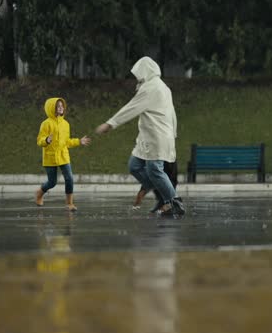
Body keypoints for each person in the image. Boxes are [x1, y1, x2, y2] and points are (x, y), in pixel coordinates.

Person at [96, 57, 185, 217]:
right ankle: (163, 196)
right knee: (134, 166)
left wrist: (110, 123)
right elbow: (173, 114)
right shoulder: (161, 87)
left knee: (154, 170)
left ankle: (174, 201)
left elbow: (131, 108)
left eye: (138, 74)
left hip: (157, 136)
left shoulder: (152, 87)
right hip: (149, 137)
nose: (137, 77)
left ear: (145, 71)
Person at [36, 97, 91, 211]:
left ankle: (69, 203)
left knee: (69, 178)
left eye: (62, 106)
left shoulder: (66, 124)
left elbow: (67, 142)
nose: (61, 108)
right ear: (52, 108)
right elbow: (39, 141)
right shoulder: (45, 124)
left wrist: (79, 141)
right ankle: (40, 193)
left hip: (63, 156)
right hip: (50, 157)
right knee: (52, 182)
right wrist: (46, 140)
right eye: (58, 106)